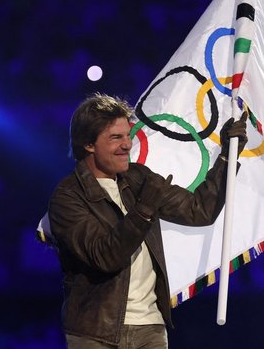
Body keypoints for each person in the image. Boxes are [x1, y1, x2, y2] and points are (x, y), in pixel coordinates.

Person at [48, 93, 248, 348]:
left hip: (150, 328)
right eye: (115, 137)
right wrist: (143, 211)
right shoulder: (67, 197)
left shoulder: (138, 178)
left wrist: (227, 157)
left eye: (128, 135)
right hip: (95, 332)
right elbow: (105, 257)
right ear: (88, 144)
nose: (127, 145)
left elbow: (200, 210)